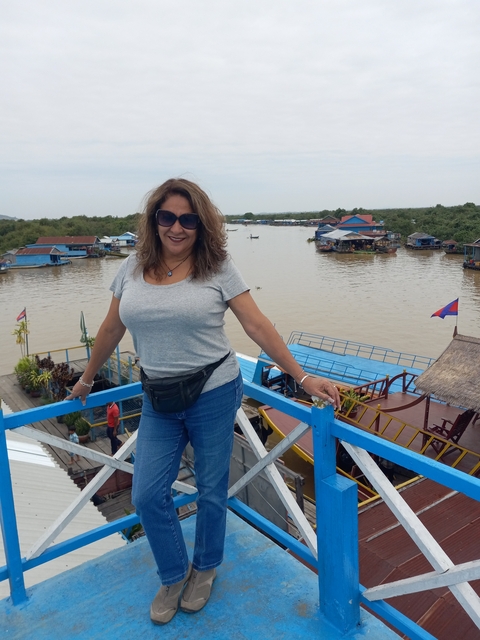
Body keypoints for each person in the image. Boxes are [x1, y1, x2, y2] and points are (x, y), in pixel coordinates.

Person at [66, 178, 340, 626]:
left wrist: (303, 377)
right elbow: (111, 329)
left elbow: (256, 325)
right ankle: (174, 574)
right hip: (157, 395)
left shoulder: (217, 267)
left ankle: (205, 568)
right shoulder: (131, 268)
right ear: (154, 220)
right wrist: (86, 379)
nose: (177, 227)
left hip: (213, 390)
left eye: (187, 219)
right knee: (148, 494)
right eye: (167, 217)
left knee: (212, 489)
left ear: (201, 224)